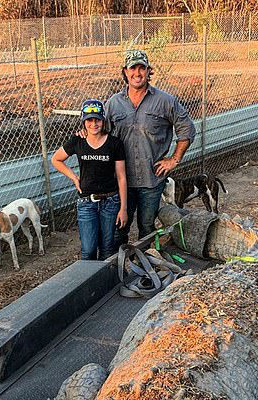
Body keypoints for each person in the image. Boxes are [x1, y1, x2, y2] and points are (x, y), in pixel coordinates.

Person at [105, 49, 196, 245]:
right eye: (132, 68)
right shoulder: (113, 104)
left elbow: (187, 128)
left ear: (148, 71)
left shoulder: (165, 101)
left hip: (152, 179)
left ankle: (145, 266)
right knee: (120, 227)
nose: (137, 73)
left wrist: (174, 159)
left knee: (146, 226)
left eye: (142, 68)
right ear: (125, 72)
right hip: (122, 181)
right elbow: (100, 133)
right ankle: (120, 270)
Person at [52, 99, 128, 260]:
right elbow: (56, 159)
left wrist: (123, 208)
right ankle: (89, 283)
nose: (94, 124)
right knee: (88, 250)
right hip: (87, 203)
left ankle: (107, 282)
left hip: (110, 201)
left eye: (97, 119)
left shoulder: (115, 144)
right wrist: (73, 177)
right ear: (83, 121)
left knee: (108, 248)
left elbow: (121, 177)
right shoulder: (78, 141)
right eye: (89, 120)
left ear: (103, 120)